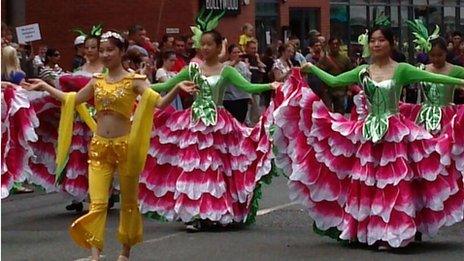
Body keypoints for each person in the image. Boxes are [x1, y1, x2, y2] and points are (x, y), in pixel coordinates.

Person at [273, 26, 464, 250]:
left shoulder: (401, 69)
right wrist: (312, 69)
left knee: (393, 186)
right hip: (369, 133)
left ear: (391, 43)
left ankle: (395, 233)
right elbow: (335, 82)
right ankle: (365, 231)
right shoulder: (363, 70)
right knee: (367, 183)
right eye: (373, 40)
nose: (376, 44)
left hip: (394, 135)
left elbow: (436, 78)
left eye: (381, 40)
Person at [21, 30, 193, 261]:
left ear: (121, 52)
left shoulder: (135, 81)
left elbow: (158, 103)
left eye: (109, 50)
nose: (104, 54)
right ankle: (95, 255)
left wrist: (176, 88)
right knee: (98, 204)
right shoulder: (97, 81)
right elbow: (71, 99)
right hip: (99, 147)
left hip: (125, 148)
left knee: (129, 203)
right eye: (101, 50)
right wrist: (45, 86)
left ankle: (125, 252)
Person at [139, 24, 279, 231]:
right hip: (195, 124)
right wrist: (137, 83)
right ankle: (194, 213)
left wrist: (270, 85)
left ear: (218, 46)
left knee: (216, 168)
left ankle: (214, 211)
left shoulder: (227, 70)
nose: (204, 48)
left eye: (208, 44)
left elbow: (248, 87)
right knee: (194, 168)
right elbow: (165, 87)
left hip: (218, 124)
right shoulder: (191, 69)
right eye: (201, 44)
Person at [1, 45, 38, 198]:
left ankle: (10, 177)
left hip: (5, 115)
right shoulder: (18, 74)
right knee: (16, 144)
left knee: (5, 144)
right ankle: (16, 179)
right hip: (17, 115)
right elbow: (26, 90)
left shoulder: (2, 74)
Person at [317, 37, 352, 113]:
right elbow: (319, 74)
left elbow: (349, 73)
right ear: (329, 45)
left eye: (337, 44)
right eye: (333, 44)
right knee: (327, 112)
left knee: (339, 113)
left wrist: (349, 88)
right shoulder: (324, 59)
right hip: (327, 90)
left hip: (340, 90)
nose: (335, 46)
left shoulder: (345, 59)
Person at [223, 44, 252, 123]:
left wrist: (249, 96)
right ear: (230, 54)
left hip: (242, 97)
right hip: (230, 98)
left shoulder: (243, 65)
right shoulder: (225, 65)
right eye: (234, 53)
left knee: (241, 121)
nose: (237, 54)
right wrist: (234, 62)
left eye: (238, 52)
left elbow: (248, 80)